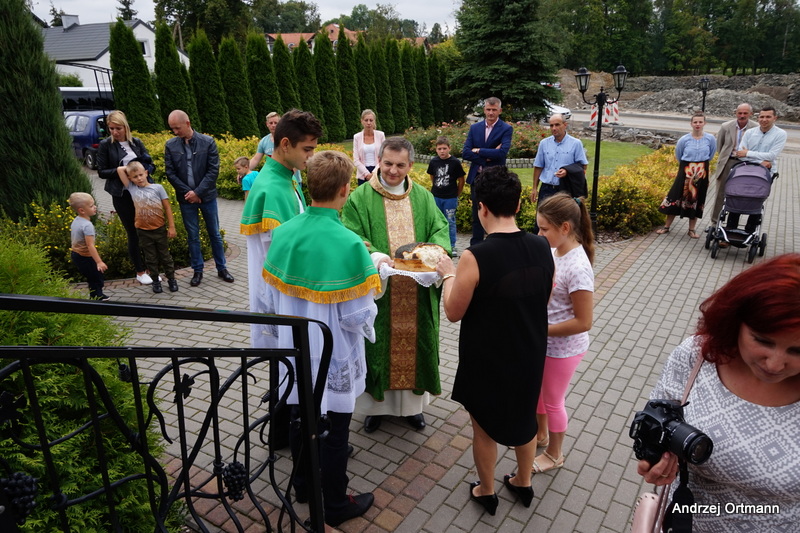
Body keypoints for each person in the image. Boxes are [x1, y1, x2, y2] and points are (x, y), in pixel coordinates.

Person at [636, 253, 800, 533]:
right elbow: (658, 416)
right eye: (762, 340)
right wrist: (658, 457)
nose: (774, 365)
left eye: (797, 351)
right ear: (736, 320)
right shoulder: (697, 356)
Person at [263, 150, 379, 527]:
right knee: (334, 428)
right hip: (331, 354)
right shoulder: (349, 244)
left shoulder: (283, 232)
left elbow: (268, 298)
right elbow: (357, 317)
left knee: (300, 416)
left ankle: (301, 484)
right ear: (345, 190)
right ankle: (335, 502)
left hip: (295, 350)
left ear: (308, 184)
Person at [435, 166, 554, 516]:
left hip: (487, 357)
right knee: (525, 419)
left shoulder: (475, 256)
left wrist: (448, 276)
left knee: (484, 427)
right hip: (530, 350)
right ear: (518, 205)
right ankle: (523, 481)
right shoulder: (542, 246)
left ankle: (486, 490)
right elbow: (543, 299)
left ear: (481, 207)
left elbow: (453, 312)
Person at [341, 137, 451, 434]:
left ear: (411, 165)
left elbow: (440, 230)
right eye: (388, 163)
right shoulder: (361, 197)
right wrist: (378, 258)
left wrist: (431, 257)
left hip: (417, 292)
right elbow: (352, 235)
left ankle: (411, 409)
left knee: (416, 347)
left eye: (400, 165)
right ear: (378, 160)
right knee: (377, 347)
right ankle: (375, 408)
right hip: (381, 292)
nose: (393, 170)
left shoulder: (423, 198)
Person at [240, 110, 323, 450]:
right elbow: (283, 254)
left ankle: (281, 436)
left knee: (286, 367)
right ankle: (294, 439)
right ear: (285, 144)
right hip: (281, 296)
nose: (311, 157)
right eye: (307, 149)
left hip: (281, 293)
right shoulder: (274, 188)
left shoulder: (284, 176)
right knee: (291, 367)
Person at [533, 193, 594, 474]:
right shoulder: (555, 251)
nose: (539, 234)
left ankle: (555, 454)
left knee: (553, 401)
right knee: (540, 394)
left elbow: (584, 322)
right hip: (545, 342)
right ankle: (541, 435)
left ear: (565, 227)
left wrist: (541, 329)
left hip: (563, 348)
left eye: (544, 229)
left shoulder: (578, 267)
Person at [165, 110, 233, 287]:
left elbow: (213, 170)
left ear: (187, 123)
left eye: (177, 128)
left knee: (215, 234)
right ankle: (197, 271)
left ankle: (222, 268)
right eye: (172, 129)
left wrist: (198, 193)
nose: (175, 132)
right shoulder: (170, 145)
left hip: (207, 198)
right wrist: (189, 194)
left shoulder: (207, 142)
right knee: (193, 236)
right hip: (186, 199)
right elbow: (170, 173)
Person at [96, 110, 156, 285]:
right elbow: (101, 171)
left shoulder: (136, 142)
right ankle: (140, 271)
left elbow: (151, 164)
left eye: (118, 128)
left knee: (148, 231)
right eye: (111, 128)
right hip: (122, 195)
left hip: (143, 193)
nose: (114, 132)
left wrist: (144, 171)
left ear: (125, 127)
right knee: (133, 232)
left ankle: (152, 269)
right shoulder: (106, 145)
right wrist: (121, 170)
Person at [118, 161, 178, 294]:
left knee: (165, 256)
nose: (139, 178)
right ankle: (155, 281)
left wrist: (171, 227)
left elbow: (167, 208)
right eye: (135, 177)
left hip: (159, 228)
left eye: (141, 174)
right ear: (130, 178)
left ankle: (172, 279)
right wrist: (131, 168)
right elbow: (119, 170)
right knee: (150, 258)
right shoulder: (132, 188)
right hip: (143, 231)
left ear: (146, 173)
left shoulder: (158, 188)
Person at [725, 106, 787, 234]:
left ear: (774, 118)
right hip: (745, 170)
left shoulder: (780, 134)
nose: (764, 119)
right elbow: (740, 154)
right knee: (737, 196)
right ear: (758, 118)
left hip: (765, 174)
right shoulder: (750, 133)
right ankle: (730, 229)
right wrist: (760, 161)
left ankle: (750, 231)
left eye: (768, 117)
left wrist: (748, 153)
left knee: (757, 199)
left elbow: (772, 155)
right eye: (762, 117)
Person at [656, 112, 716, 239]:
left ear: (705, 123)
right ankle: (666, 227)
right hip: (686, 170)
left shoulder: (710, 139)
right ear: (691, 124)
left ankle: (691, 229)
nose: (698, 124)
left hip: (701, 172)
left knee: (696, 198)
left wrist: (700, 167)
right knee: (675, 196)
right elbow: (679, 155)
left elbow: (711, 155)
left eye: (700, 122)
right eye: (695, 122)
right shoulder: (684, 139)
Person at [462, 97, 513, 245]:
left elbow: (502, 152)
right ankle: (476, 246)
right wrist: (488, 157)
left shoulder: (506, 129)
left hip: (496, 178)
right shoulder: (475, 128)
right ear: (484, 110)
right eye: (488, 109)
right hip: (477, 177)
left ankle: (495, 245)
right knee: (477, 213)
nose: (491, 113)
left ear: (500, 111)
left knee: (496, 212)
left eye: (494, 110)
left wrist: (479, 150)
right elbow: (466, 153)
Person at [531, 114, 588, 233]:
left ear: (565, 125)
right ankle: (541, 245)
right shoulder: (544, 143)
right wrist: (535, 188)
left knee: (564, 224)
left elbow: (582, 166)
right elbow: (538, 166)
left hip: (565, 189)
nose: (554, 128)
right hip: (547, 189)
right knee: (541, 223)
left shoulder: (575, 143)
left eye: (557, 125)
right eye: (551, 125)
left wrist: (567, 171)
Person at [709, 103, 758, 225]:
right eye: (739, 113)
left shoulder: (755, 128)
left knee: (739, 194)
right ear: (735, 113)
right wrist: (725, 157)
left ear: (750, 114)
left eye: (745, 113)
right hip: (728, 161)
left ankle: (732, 223)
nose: (742, 116)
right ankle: (715, 222)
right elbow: (720, 145)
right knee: (720, 193)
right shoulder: (726, 126)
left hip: (745, 163)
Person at [427, 136, 466, 254]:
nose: (442, 151)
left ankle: (452, 245)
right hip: (436, 196)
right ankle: (438, 243)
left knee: (450, 221)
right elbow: (432, 176)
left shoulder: (455, 162)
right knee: (437, 220)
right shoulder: (434, 162)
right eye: (439, 149)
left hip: (450, 197)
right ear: (436, 149)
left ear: (449, 148)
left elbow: (461, 179)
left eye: (444, 148)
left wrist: (457, 193)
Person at [68, 192, 109, 301]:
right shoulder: (87, 225)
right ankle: (97, 297)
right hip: (85, 256)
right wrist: (99, 262)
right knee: (96, 277)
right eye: (91, 206)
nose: (95, 207)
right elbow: (90, 245)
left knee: (93, 276)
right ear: (82, 210)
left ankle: (96, 295)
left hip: (76, 254)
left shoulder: (77, 220)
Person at [353, 109, 386, 186]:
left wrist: (374, 173)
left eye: (371, 120)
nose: (368, 123)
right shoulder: (357, 137)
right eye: (366, 120)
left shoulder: (381, 135)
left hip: (378, 172)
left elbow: (384, 156)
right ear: (362, 121)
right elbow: (356, 159)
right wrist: (366, 174)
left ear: (374, 121)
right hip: (363, 173)